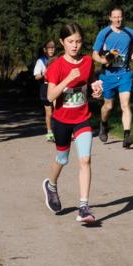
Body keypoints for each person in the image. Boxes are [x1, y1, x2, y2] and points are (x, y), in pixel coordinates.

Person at [41, 22, 103, 223]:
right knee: (62, 159)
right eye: (70, 42)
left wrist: (96, 89)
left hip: (82, 119)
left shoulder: (87, 61)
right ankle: (51, 185)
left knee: (85, 160)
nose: (75, 45)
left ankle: (84, 207)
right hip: (61, 121)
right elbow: (50, 95)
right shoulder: (56, 66)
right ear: (62, 42)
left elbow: (90, 81)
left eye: (78, 41)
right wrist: (67, 79)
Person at [92, 6, 133, 148]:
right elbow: (94, 53)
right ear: (110, 18)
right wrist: (103, 61)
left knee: (125, 104)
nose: (117, 19)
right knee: (108, 106)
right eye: (114, 17)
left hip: (124, 73)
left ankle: (127, 136)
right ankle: (104, 124)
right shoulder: (104, 33)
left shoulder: (130, 32)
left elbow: (131, 49)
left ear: (123, 17)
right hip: (108, 75)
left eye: (120, 16)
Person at [33, 39, 57, 141]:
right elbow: (36, 76)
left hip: (57, 86)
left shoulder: (59, 59)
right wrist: (45, 73)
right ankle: (49, 132)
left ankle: (60, 131)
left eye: (53, 48)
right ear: (45, 49)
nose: (51, 50)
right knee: (49, 112)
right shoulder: (41, 61)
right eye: (49, 48)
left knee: (58, 110)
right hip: (46, 87)